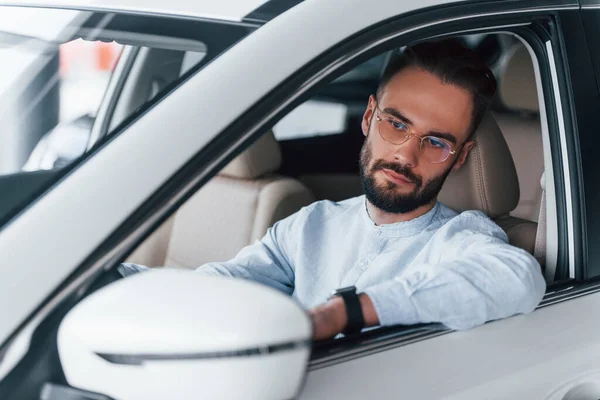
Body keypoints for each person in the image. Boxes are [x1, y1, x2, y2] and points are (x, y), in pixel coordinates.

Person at [120, 38, 546, 340]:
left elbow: (517, 279)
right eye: (396, 124)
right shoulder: (312, 223)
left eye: (436, 142)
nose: (405, 155)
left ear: (461, 155)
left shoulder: (461, 236)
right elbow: (215, 286)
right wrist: (110, 280)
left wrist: (345, 312)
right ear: (368, 118)